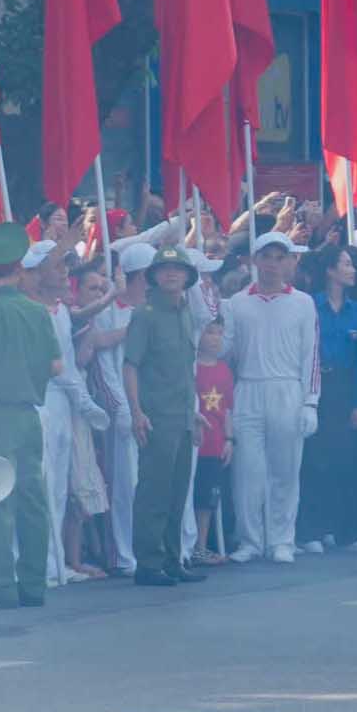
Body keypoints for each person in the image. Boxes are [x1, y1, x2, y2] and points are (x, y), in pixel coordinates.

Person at [0, 225, 60, 610]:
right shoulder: (37, 312)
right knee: (32, 499)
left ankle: (1, 586)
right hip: (31, 415)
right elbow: (55, 365)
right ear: (19, 270)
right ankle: (34, 584)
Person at [223, 232, 319, 564]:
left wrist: (310, 402)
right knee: (248, 471)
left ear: (291, 261)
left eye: (281, 257)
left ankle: (282, 539)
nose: (273, 264)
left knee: (285, 469)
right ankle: (250, 539)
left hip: (288, 390)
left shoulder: (303, 303)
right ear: (254, 260)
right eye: (267, 257)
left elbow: (311, 356)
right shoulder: (237, 303)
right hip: (248, 388)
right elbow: (227, 353)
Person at [25, 240, 110, 586]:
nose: (64, 273)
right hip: (40, 398)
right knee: (41, 483)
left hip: (64, 402)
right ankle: (38, 562)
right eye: (58, 266)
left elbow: (70, 363)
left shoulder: (59, 309)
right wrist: (83, 399)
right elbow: (51, 365)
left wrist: (81, 401)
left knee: (59, 486)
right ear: (38, 272)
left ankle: (56, 560)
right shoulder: (30, 310)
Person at [123, 248, 209, 586]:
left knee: (177, 492)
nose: (172, 274)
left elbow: (185, 370)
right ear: (154, 276)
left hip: (183, 415)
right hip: (157, 414)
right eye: (165, 269)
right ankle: (148, 562)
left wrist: (194, 412)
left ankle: (173, 559)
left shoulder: (185, 312)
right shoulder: (145, 315)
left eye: (179, 269)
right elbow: (131, 365)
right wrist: (136, 411)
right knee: (154, 491)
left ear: (188, 276)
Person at [299, 245, 357, 553]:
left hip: (345, 388)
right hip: (317, 385)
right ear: (330, 270)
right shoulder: (310, 306)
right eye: (345, 264)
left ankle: (345, 531)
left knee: (346, 461)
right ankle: (312, 532)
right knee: (314, 461)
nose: (352, 270)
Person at [89, 243, 154, 576]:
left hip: (154, 408)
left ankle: (154, 550)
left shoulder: (159, 309)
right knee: (125, 486)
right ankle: (124, 555)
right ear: (142, 276)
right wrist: (122, 409)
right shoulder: (107, 310)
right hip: (123, 412)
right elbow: (100, 365)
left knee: (154, 485)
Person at [193, 318, 235, 565]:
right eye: (210, 332)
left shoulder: (224, 370)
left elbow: (228, 408)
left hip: (216, 442)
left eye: (220, 333)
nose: (216, 338)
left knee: (207, 498)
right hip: (196, 440)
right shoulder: (192, 368)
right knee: (193, 494)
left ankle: (201, 545)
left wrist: (229, 439)